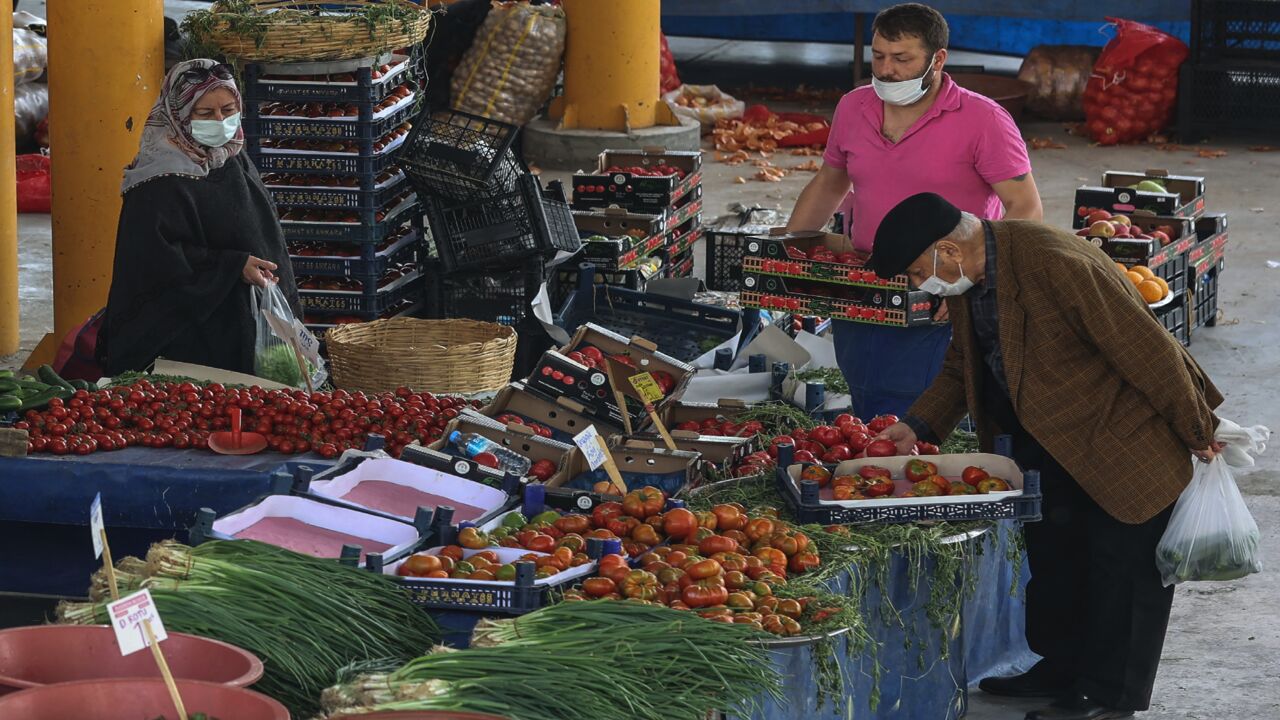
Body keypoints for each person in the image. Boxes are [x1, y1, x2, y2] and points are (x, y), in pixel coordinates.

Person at [868, 193, 1224, 720]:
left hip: (1118, 435)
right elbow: (963, 363)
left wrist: (1197, 427)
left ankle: (1108, 695)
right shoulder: (971, 275)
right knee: (1060, 559)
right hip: (1049, 436)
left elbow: (1145, 348)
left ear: (947, 248)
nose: (923, 285)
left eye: (921, 272)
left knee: (1119, 567)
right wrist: (916, 427)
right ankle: (1061, 668)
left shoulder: (1054, 260)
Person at [785, 2, 1042, 419]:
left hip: (940, 287)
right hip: (864, 277)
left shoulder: (982, 119)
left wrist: (975, 278)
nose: (886, 70)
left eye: (902, 59)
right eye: (879, 56)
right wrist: (787, 252)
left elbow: (1025, 207)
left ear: (937, 59)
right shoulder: (853, 107)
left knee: (919, 407)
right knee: (865, 387)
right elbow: (830, 182)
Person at [101, 59, 300, 376]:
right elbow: (151, 264)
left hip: (245, 318)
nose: (220, 121)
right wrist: (233, 266)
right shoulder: (158, 181)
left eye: (228, 110)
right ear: (178, 115)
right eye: (205, 114)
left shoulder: (230, 153)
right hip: (189, 341)